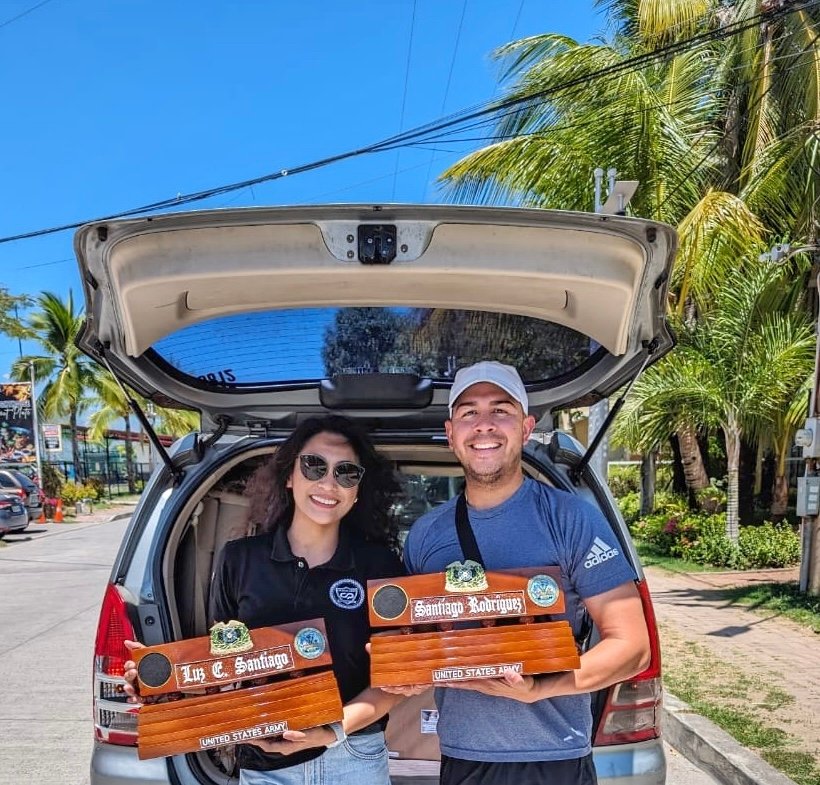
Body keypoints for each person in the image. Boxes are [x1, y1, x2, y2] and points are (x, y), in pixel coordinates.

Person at [396, 361, 651, 785]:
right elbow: (414, 644)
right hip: (462, 758)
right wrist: (401, 672)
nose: (484, 424)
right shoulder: (426, 534)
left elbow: (633, 648)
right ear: (451, 433)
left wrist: (539, 689)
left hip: (555, 758)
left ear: (526, 427)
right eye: (469, 413)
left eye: (501, 410)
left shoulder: (571, 519)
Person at [124, 415, 404, 785]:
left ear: (357, 490)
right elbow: (223, 668)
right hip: (262, 760)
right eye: (314, 466)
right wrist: (161, 685)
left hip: (353, 754)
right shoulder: (239, 559)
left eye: (346, 473)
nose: (328, 483)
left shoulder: (381, 565)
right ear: (289, 476)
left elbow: (395, 681)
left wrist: (331, 731)